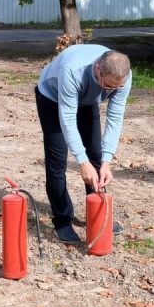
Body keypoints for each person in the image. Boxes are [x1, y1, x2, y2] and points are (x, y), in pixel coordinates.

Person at [35, 45, 131, 243]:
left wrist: (107, 161)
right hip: (52, 98)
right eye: (108, 86)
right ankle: (62, 221)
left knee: (96, 154)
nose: (112, 91)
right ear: (98, 69)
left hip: (86, 99)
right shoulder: (72, 70)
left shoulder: (124, 77)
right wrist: (81, 161)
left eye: (117, 87)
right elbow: (68, 119)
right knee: (57, 160)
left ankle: (96, 215)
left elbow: (115, 118)